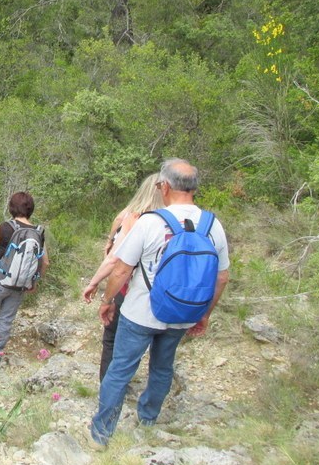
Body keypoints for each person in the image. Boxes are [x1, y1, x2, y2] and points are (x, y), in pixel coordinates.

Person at [88, 159, 230, 449]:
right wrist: (204, 314)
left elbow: (121, 269)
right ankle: (148, 418)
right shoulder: (213, 226)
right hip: (182, 314)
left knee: (120, 369)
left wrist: (107, 301)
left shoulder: (151, 221)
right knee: (162, 368)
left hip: (141, 311)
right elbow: (222, 277)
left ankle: (102, 435)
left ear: (164, 186)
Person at [82, 173, 164, 381]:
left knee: (112, 339)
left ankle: (110, 388)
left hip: (130, 289)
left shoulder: (133, 218)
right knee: (158, 353)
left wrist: (95, 285)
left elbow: (114, 260)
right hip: (165, 294)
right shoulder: (175, 221)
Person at [0, 192, 49, 368]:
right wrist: (34, 281)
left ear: (11, 207)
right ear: (31, 209)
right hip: (20, 285)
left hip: (0, 279)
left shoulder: (4, 226)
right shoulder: (39, 232)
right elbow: (45, 261)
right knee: (6, 317)